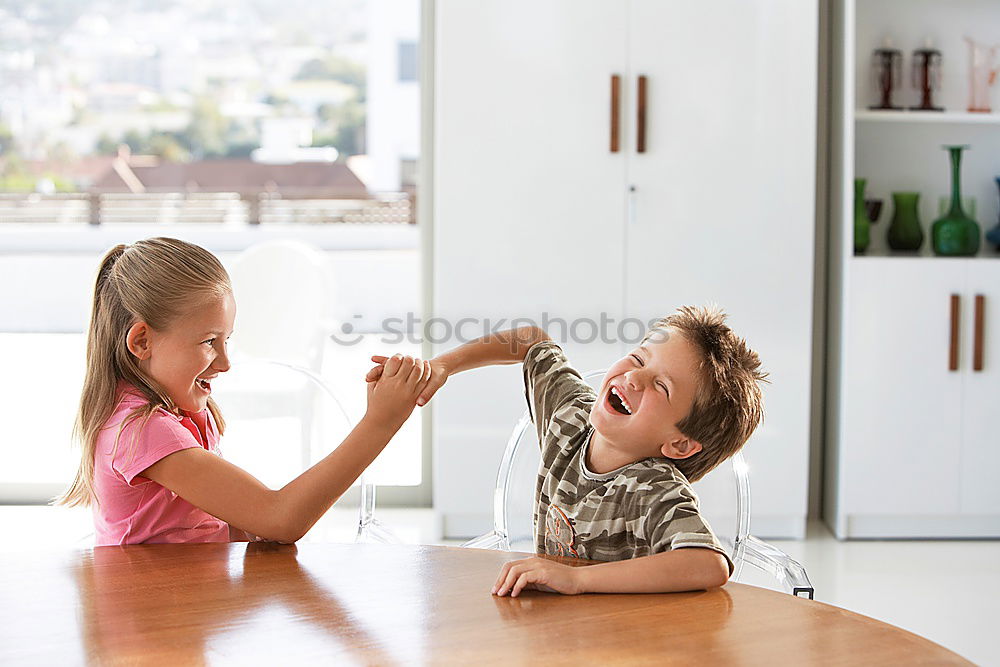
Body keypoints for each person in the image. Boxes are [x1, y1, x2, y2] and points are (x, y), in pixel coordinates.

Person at [368, 306, 766, 595]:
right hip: (555, 632)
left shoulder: (653, 488)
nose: (634, 377)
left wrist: (578, 579)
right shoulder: (569, 416)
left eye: (661, 387)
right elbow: (531, 340)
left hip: (631, 642)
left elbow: (707, 564)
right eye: (640, 358)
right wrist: (442, 366)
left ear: (678, 443)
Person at [57, 237, 428, 545]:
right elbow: (279, 520)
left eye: (227, 340)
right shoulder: (143, 430)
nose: (224, 362)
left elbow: (236, 524)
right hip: (156, 623)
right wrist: (380, 422)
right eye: (208, 341)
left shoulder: (179, 412)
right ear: (141, 341)